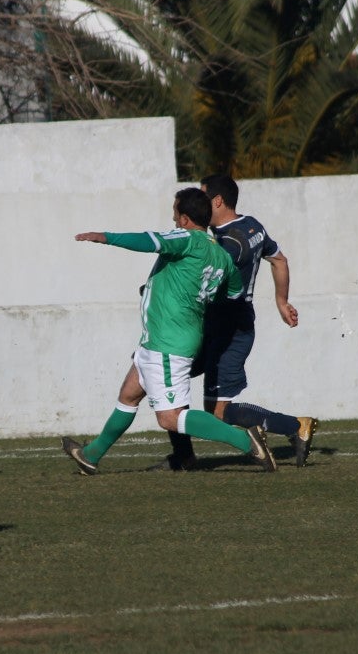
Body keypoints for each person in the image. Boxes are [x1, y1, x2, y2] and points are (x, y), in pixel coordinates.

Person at [59, 187, 272, 474]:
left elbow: (149, 241)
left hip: (169, 344)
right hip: (158, 340)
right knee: (129, 394)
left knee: (170, 418)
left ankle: (247, 441)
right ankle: (91, 455)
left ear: (185, 219)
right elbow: (234, 292)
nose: (173, 219)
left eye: (175, 214)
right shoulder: (221, 256)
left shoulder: (186, 239)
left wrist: (106, 237)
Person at [163, 173, 318, 471]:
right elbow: (279, 259)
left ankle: (297, 425)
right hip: (221, 328)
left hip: (228, 330)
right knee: (165, 373)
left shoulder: (227, 242)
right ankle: (183, 456)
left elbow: (205, 281)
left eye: (203, 196)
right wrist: (281, 301)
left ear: (217, 201)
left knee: (217, 412)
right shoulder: (252, 226)